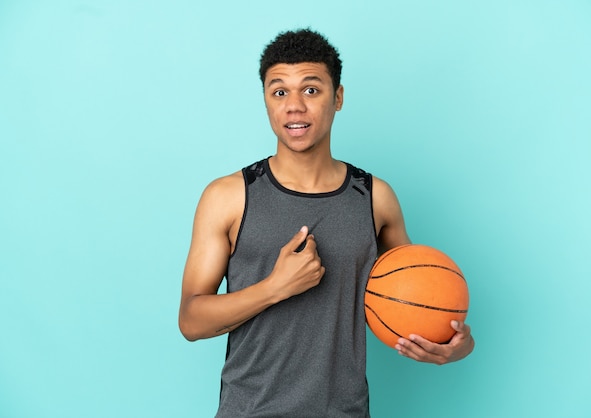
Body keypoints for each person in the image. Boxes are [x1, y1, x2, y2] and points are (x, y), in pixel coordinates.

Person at [178, 28, 474, 417]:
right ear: (266, 101)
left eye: (311, 90)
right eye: (279, 91)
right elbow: (191, 320)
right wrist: (274, 288)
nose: (294, 106)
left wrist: (456, 345)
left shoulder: (375, 198)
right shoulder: (228, 196)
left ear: (338, 98)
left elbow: (417, 298)